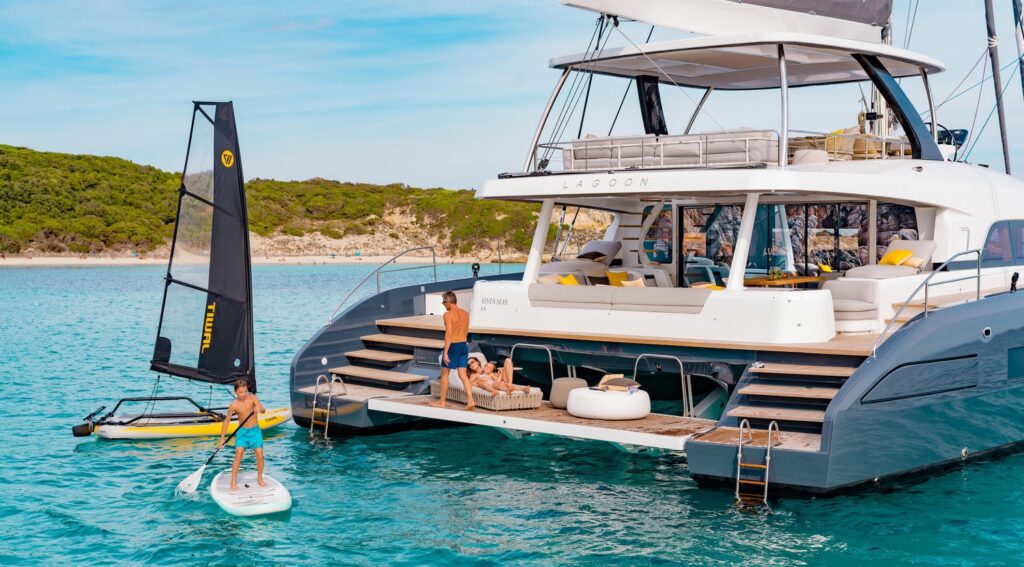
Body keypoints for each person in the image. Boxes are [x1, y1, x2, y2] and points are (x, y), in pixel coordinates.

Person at [430, 291, 476, 410]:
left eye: (443, 302)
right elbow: (466, 331)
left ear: (448, 302)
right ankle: (470, 400)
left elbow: (449, 334)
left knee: (445, 374)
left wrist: (445, 352)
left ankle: (442, 401)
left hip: (453, 346)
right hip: (463, 345)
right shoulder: (465, 314)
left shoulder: (448, 315)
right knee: (463, 375)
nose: (443, 305)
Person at [218, 379, 266, 491]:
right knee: (238, 455)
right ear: (236, 392)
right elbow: (226, 421)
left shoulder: (253, 398)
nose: (243, 394)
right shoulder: (233, 405)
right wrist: (222, 439)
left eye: (245, 391)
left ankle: (259, 478)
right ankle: (233, 482)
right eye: (240, 392)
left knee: (260, 455)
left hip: (255, 432)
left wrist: (259, 409)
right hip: (242, 433)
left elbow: (263, 410)